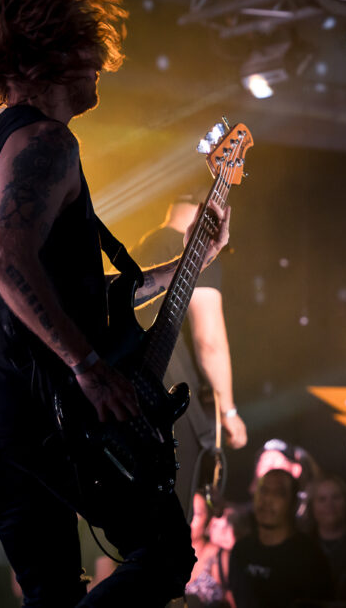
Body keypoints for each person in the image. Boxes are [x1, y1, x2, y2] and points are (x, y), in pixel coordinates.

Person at [0, 0, 229, 605]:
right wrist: (90, 367)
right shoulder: (45, 142)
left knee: (56, 595)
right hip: (36, 420)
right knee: (165, 552)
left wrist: (189, 261)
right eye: (86, 46)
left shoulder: (14, 143)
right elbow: (7, 262)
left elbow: (75, 292)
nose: (101, 60)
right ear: (52, 52)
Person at [133, 196, 248, 517]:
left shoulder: (139, 248)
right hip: (168, 409)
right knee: (168, 521)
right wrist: (229, 411)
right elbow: (208, 340)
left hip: (122, 401)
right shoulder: (195, 254)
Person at [227, 469, 333, 608]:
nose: (267, 500)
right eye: (263, 491)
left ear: (293, 503)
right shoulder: (241, 551)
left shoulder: (309, 557)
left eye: (278, 493)